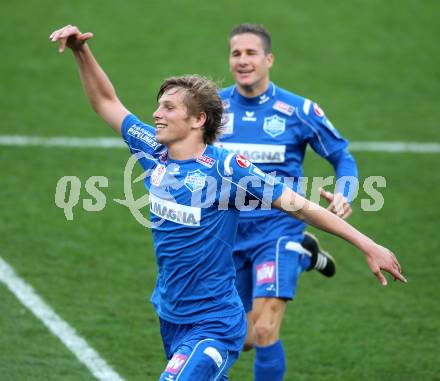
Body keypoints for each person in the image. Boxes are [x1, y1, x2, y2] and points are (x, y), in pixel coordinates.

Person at [49, 25, 406, 381]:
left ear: (198, 119)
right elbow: (107, 102)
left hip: (214, 323)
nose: (156, 113)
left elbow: (299, 204)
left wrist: (368, 244)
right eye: (159, 105)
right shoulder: (152, 151)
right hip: (171, 314)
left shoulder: (228, 169)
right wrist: (82, 52)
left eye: (168, 107)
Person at [214, 23, 359, 380]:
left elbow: (342, 156)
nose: (243, 60)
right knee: (241, 338)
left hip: (278, 229)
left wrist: (345, 193)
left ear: (269, 59)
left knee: (265, 331)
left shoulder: (298, 111)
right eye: (236, 53)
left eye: (251, 53)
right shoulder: (214, 109)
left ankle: (295, 248)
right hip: (229, 233)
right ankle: (307, 255)